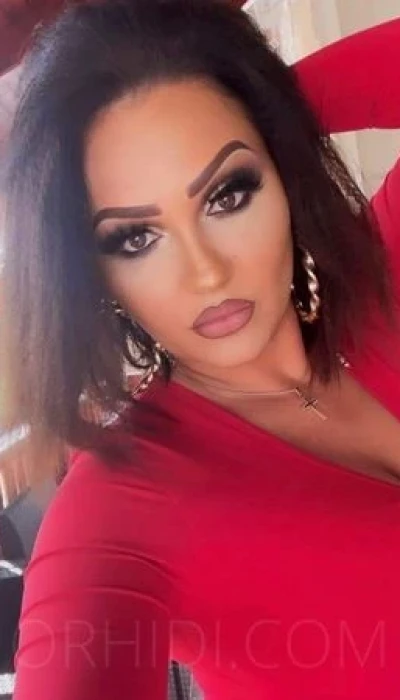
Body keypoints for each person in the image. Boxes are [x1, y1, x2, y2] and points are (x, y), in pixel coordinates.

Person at [2, 1, 400, 697]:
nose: (206, 273)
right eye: (135, 238)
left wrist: (273, 109)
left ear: (283, 174)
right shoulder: (121, 508)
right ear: (92, 272)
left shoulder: (382, 275)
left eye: (228, 193)